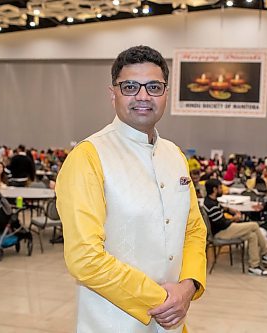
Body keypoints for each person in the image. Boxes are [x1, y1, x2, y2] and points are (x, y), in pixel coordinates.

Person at [55, 46, 207, 333]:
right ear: (113, 94)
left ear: (165, 94)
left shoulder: (174, 155)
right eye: (130, 86)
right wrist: (162, 300)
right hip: (113, 323)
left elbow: (193, 230)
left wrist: (188, 286)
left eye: (153, 86)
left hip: (173, 323)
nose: (142, 96)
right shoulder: (89, 156)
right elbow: (84, 257)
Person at [203, 179, 267, 276]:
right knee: (254, 225)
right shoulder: (211, 205)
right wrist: (234, 219)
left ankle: (254, 266)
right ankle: (266, 253)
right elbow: (221, 223)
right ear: (215, 189)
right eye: (220, 188)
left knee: (252, 236)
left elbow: (222, 209)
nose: (222, 189)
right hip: (221, 232)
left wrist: (230, 210)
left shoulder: (211, 201)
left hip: (224, 229)